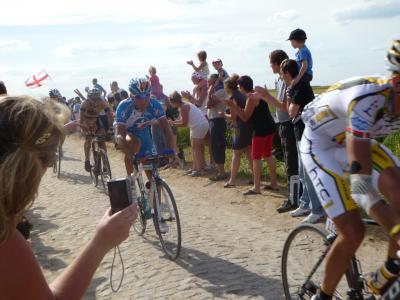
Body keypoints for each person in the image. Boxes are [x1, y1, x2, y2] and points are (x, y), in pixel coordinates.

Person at [0, 96, 138, 299]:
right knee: (89, 142)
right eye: (47, 163)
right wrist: (100, 244)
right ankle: (88, 160)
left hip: (94, 127)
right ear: (28, 167)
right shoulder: (6, 238)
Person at [301, 40, 400, 300]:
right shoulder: (366, 99)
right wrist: (391, 224)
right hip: (321, 146)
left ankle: (388, 275)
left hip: (356, 141)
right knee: (354, 232)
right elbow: (360, 183)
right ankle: (323, 295)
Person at [253, 50, 300, 211]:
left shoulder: (286, 80)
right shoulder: (279, 80)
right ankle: (294, 196)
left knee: (292, 161)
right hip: (281, 123)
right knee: (288, 160)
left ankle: (294, 198)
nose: (270, 67)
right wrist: (266, 96)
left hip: (288, 123)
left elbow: (284, 107)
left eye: (271, 64)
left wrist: (266, 96)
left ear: (277, 64)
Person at [279, 59, 325, 223]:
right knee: (302, 173)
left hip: (308, 134)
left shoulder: (299, 86)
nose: (281, 77)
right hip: (301, 133)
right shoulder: (295, 86)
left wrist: (288, 97)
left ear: (286, 73)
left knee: (308, 173)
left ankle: (317, 209)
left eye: (282, 74)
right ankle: (306, 203)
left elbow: (291, 112)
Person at [114, 77, 175, 182]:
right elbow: (120, 135)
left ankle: (155, 194)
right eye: (139, 97)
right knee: (134, 142)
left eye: (147, 95)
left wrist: (170, 149)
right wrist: (131, 155)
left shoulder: (154, 104)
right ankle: (131, 180)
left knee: (154, 176)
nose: (143, 100)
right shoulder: (124, 106)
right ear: (132, 96)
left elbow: (166, 129)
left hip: (143, 132)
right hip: (126, 132)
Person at [225, 75, 277, 195]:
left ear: (242, 87)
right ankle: (274, 183)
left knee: (256, 158)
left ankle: (256, 187)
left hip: (260, 130)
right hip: (270, 127)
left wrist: (233, 106)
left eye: (239, 86)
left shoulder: (251, 98)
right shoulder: (259, 93)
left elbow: (244, 117)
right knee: (268, 155)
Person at [222, 74, 253, 187]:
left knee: (236, 154)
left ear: (228, 87)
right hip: (249, 126)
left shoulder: (232, 98)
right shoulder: (241, 94)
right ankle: (255, 177)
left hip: (240, 127)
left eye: (224, 86)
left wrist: (223, 115)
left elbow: (233, 117)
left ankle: (232, 180)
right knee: (249, 153)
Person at [168, 91, 209, 175]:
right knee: (195, 148)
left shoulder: (184, 107)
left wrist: (172, 124)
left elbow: (184, 123)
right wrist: (173, 122)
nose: (171, 105)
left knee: (197, 149)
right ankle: (196, 167)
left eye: (171, 102)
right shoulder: (184, 105)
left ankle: (199, 170)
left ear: (174, 102)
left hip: (198, 125)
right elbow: (182, 120)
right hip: (199, 125)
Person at [80, 88, 113, 172]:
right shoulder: (85, 103)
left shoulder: (102, 102)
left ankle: (105, 162)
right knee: (88, 140)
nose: (95, 100)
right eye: (93, 98)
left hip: (96, 120)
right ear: (89, 97)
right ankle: (87, 160)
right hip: (86, 121)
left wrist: (110, 128)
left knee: (102, 141)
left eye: (97, 98)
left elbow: (109, 115)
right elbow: (81, 119)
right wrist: (82, 128)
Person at [207, 73, 228, 181]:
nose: (208, 82)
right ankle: (220, 171)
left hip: (218, 120)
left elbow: (210, 104)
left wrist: (211, 88)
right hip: (213, 120)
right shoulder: (215, 91)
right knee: (215, 146)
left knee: (218, 146)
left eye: (210, 80)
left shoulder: (220, 91)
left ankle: (222, 172)